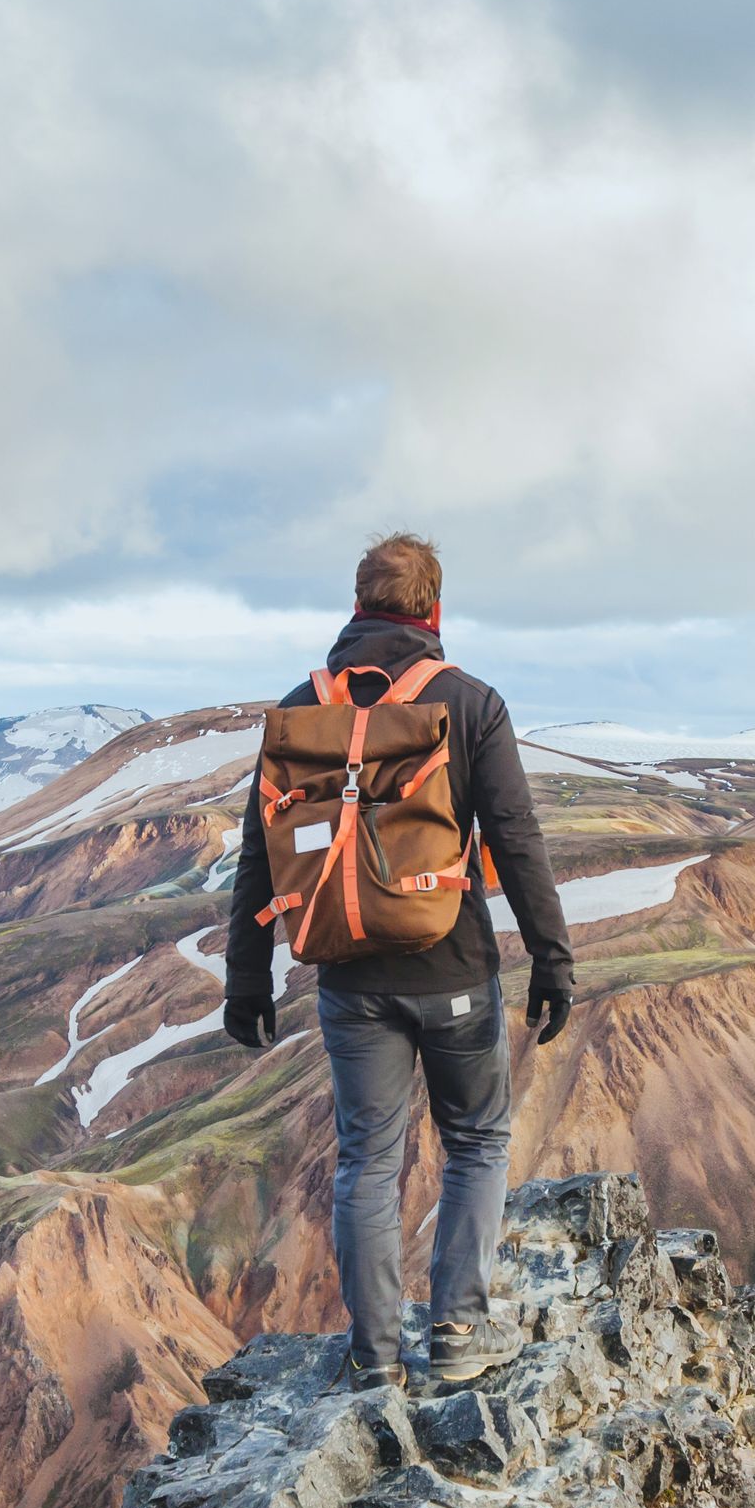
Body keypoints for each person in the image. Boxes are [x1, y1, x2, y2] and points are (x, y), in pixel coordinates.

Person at [222, 533, 574, 1383]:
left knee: (367, 1160)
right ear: (434, 610)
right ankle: (457, 1334)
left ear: (356, 605)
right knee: (477, 1141)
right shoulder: (470, 704)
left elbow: (259, 856)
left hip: (347, 980)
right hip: (452, 968)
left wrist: (248, 980)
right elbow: (517, 841)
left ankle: (375, 1358)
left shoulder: (299, 709)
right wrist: (553, 960)